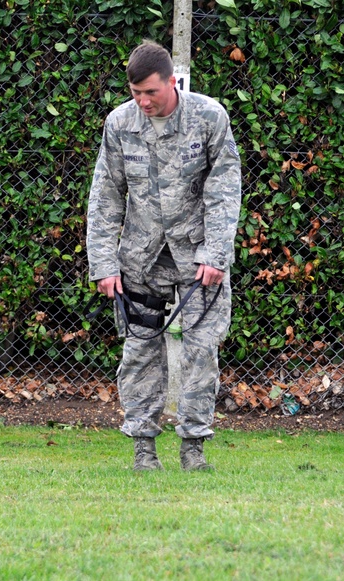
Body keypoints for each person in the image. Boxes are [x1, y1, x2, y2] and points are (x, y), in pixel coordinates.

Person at [86, 40, 242, 471]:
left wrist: (216, 253)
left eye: (150, 92)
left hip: (199, 259)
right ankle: (143, 450)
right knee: (139, 353)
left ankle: (193, 450)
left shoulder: (209, 117)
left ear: (172, 81)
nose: (143, 101)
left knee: (201, 351)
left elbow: (225, 190)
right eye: (136, 93)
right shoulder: (119, 124)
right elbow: (106, 196)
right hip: (140, 258)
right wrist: (102, 263)